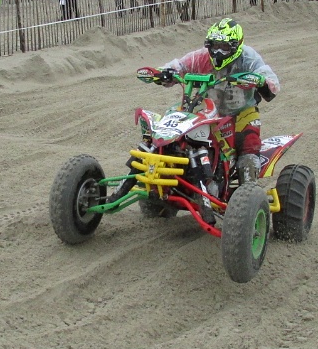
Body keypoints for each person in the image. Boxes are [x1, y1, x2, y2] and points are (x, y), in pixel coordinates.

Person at [114, 18, 280, 219]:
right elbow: (180, 65)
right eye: (214, 46)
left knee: (248, 150)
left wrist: (261, 80)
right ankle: (165, 182)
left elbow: (270, 80)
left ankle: (248, 203)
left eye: (224, 47)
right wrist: (165, 73)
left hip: (241, 113)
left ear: (236, 46)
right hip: (208, 111)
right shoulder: (202, 57)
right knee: (173, 139)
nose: (217, 52)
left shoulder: (248, 58)